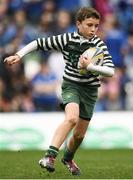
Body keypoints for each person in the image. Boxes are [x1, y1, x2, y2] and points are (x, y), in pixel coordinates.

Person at [4, 7, 115, 175]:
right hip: (71, 85)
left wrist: (90, 66)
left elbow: (111, 71)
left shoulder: (99, 45)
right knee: (71, 118)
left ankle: (68, 158)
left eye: (96, 26)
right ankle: (49, 156)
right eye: (89, 25)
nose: (93, 29)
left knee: (79, 135)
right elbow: (38, 43)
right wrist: (19, 55)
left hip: (90, 91)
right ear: (78, 24)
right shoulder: (67, 39)